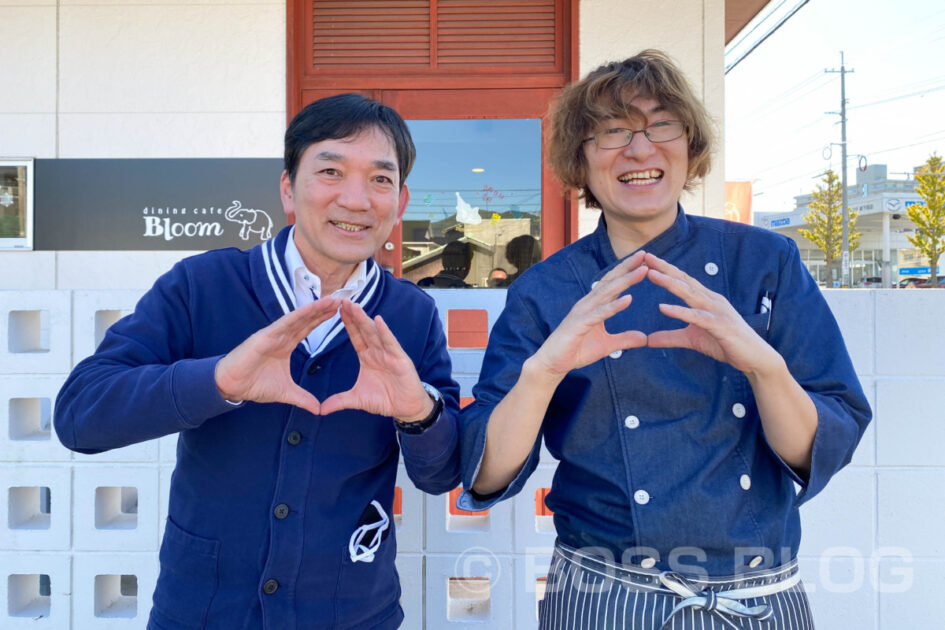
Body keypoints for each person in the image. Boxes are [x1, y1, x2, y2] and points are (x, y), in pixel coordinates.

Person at [458, 50, 871, 629]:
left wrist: (763, 367)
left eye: (660, 125)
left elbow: (825, 440)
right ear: (581, 162)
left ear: (690, 145)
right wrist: (543, 372)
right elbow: (487, 473)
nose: (640, 148)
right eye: (611, 133)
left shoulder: (764, 262)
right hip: (601, 593)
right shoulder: (547, 290)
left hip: (757, 595)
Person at [55, 93, 462, 630]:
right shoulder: (203, 285)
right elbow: (81, 415)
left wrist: (418, 413)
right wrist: (219, 380)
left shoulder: (411, 314)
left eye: (380, 179)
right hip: (202, 610)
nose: (357, 198)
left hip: (353, 611)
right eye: (331, 171)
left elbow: (443, 471)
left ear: (401, 201)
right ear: (289, 189)